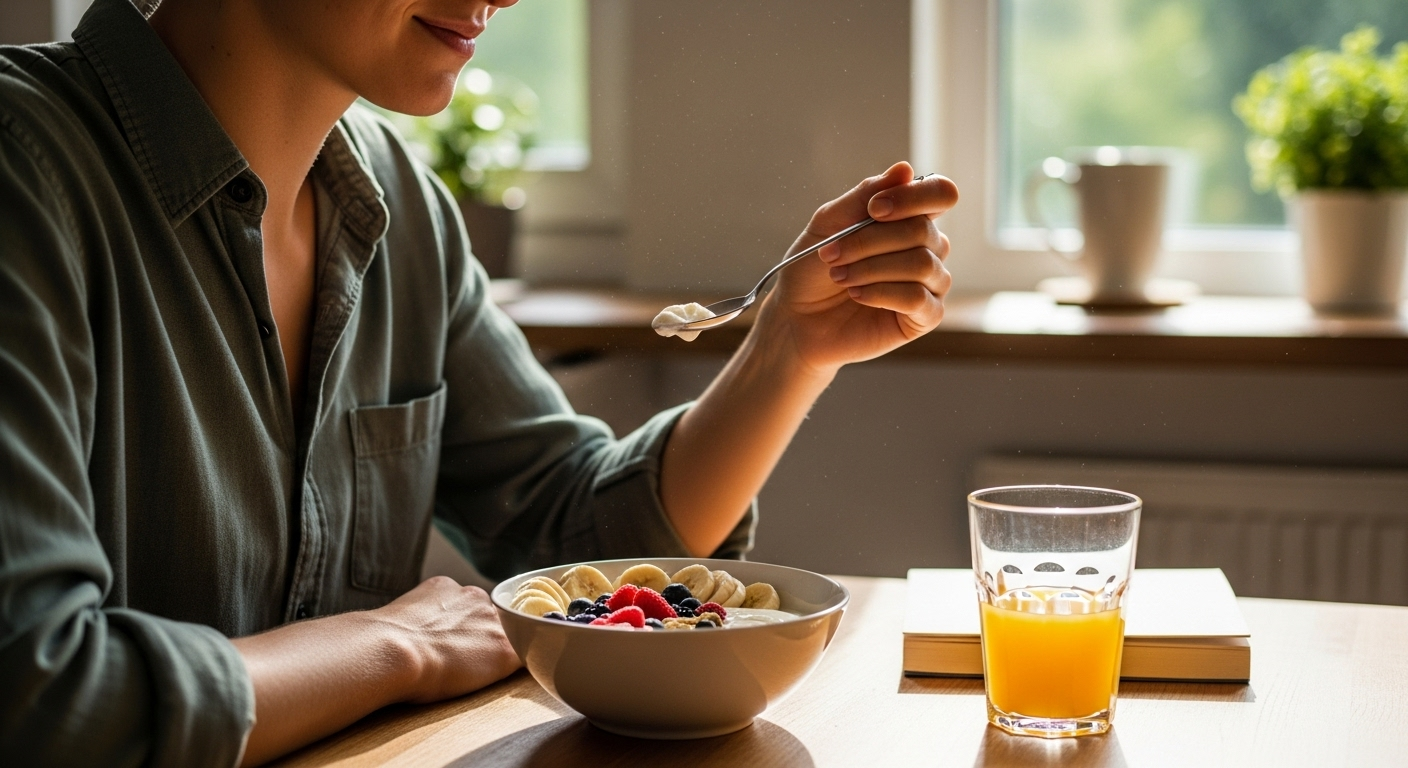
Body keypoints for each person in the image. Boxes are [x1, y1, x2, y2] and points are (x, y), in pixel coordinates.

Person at [0, 0, 957, 764]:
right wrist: (392, 648)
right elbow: (43, 699)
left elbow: (583, 538)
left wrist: (788, 349)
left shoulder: (403, 212)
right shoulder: (24, 169)